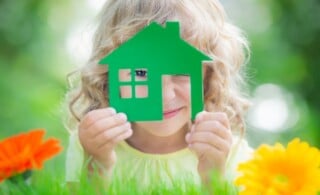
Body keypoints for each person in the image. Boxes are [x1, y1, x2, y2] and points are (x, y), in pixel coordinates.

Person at [65, 0, 252, 192]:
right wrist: (97, 165)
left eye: (181, 72)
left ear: (208, 74)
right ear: (108, 76)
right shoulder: (91, 145)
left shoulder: (232, 154)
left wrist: (213, 176)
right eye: (140, 73)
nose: (165, 95)